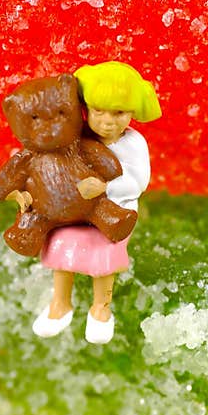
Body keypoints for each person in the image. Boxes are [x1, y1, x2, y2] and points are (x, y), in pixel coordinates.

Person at [33, 61, 162, 344]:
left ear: (133, 113)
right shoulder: (76, 139)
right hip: (75, 211)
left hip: (115, 210)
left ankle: (101, 307)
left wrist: (106, 186)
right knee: (60, 244)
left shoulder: (133, 143)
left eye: (118, 113)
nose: (107, 121)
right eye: (98, 111)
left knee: (104, 255)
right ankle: (60, 303)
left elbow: (138, 181)